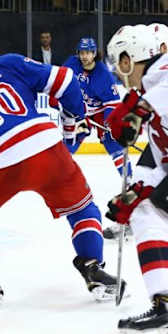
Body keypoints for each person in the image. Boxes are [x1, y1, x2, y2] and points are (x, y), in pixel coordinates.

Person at [0, 38, 125, 308]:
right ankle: (94, 268)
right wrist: (78, 113)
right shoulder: (8, 63)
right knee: (82, 209)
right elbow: (66, 81)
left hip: (2, 161)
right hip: (47, 143)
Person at [105, 24, 168, 331]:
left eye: (119, 62)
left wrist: (137, 109)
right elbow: (156, 167)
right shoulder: (150, 92)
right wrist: (132, 196)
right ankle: (164, 300)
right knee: (145, 211)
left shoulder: (161, 79)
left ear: (129, 59)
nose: (118, 72)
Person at [60, 37, 133, 240]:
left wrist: (109, 125)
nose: (84, 56)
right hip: (77, 110)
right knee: (70, 141)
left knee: (114, 146)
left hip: (101, 113)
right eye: (81, 52)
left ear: (94, 53)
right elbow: (61, 82)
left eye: (88, 53)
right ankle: (58, 175)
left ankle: (129, 181)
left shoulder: (103, 75)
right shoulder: (71, 64)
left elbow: (112, 104)